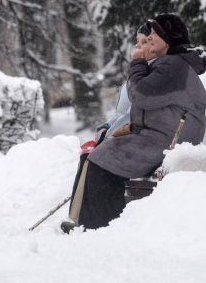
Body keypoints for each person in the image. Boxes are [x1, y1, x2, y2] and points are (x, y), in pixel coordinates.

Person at [64, 13, 206, 232]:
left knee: (105, 159)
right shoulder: (169, 64)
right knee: (102, 153)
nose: (149, 38)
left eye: (153, 34)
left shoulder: (173, 66)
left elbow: (140, 95)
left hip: (172, 142)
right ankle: (90, 223)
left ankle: (100, 227)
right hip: (160, 136)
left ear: (168, 38)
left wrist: (137, 63)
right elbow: (144, 104)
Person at [64, 22, 157, 232]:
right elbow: (119, 112)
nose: (139, 48)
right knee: (87, 154)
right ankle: (80, 219)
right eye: (138, 42)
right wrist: (105, 127)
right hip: (119, 134)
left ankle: (99, 222)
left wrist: (114, 133)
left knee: (100, 159)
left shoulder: (152, 77)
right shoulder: (135, 76)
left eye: (146, 42)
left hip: (133, 137)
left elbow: (136, 114)